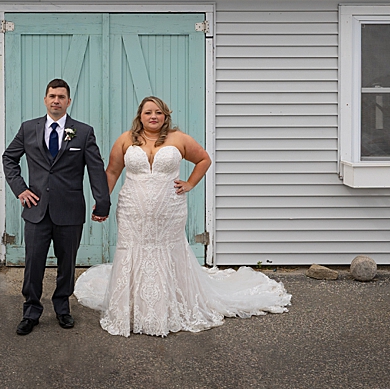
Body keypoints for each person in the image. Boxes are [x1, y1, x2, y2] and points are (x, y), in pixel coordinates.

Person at [74, 96, 291, 337]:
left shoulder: (179, 139)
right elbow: (112, 171)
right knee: (133, 250)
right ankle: (133, 310)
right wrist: (102, 202)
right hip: (132, 210)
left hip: (170, 210)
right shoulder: (126, 140)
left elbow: (203, 159)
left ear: (166, 116)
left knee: (167, 251)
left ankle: (169, 307)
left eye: (158, 112)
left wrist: (190, 183)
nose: (153, 116)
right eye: (148, 112)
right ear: (140, 116)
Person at [2, 79, 111, 336]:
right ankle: (31, 311)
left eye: (61, 97)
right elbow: (9, 158)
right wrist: (20, 189)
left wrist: (102, 202)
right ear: (45, 99)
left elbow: (95, 169)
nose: (56, 101)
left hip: (70, 211)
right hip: (37, 211)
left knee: (67, 263)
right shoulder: (29, 128)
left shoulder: (83, 132)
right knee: (33, 263)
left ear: (68, 101)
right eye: (52, 96)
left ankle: (63, 308)